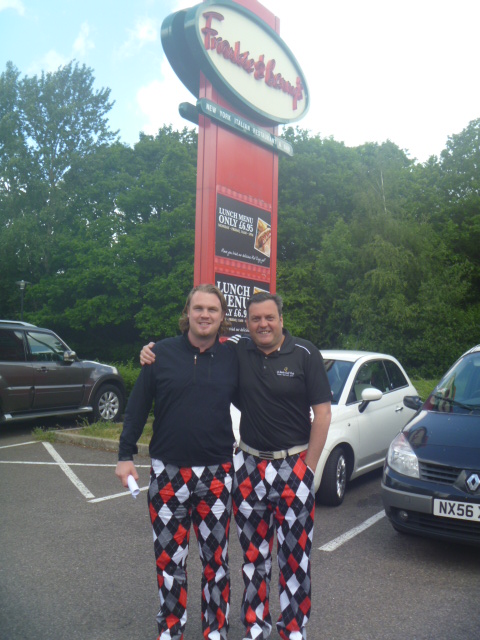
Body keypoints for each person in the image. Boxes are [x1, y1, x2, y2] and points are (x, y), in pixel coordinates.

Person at [141, 292, 332, 640]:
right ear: (247, 323)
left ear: (281, 319)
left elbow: (323, 413)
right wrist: (150, 351)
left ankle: (293, 629)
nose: (263, 324)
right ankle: (256, 627)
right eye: (256, 318)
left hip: (294, 465)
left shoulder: (306, 354)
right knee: (254, 556)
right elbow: (197, 344)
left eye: (269, 317)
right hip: (248, 467)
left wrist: (310, 468)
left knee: (295, 557)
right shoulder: (237, 351)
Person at [116, 284, 238, 640]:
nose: (205, 315)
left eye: (212, 309)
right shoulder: (160, 354)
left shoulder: (234, 358)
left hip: (217, 474)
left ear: (222, 316)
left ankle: (215, 630)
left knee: (216, 560)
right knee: (169, 560)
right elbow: (137, 407)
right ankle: (171, 628)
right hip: (168, 473)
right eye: (198, 308)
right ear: (187, 312)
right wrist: (124, 455)